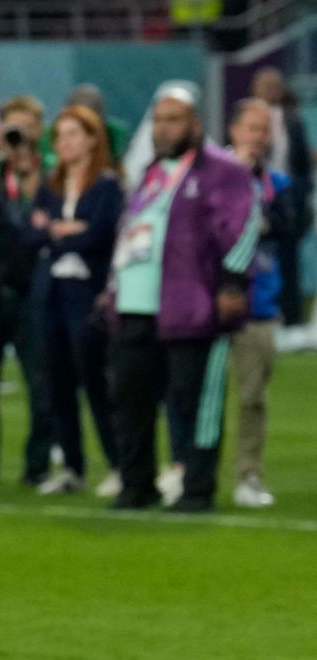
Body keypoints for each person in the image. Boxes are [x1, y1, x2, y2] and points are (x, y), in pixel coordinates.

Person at [109, 82, 259, 513]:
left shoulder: (223, 171)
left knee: (196, 403)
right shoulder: (151, 175)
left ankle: (197, 488)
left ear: (195, 124)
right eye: (158, 119)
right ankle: (137, 485)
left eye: (173, 119)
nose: (164, 128)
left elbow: (243, 226)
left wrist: (232, 284)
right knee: (132, 400)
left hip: (193, 304)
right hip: (136, 304)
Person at [29, 105, 124, 498]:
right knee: (56, 380)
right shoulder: (50, 185)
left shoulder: (106, 185)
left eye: (72, 134)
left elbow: (103, 234)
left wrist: (55, 232)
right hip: (52, 290)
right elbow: (28, 234)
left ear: (91, 139)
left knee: (94, 378)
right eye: (60, 135)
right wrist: (65, 231)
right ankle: (72, 465)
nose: (64, 142)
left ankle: (119, 464)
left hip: (87, 292)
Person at [0, 95, 55, 488]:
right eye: (11, 127)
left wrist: (30, 170)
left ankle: (37, 467)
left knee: (40, 382)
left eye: (26, 127)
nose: (19, 136)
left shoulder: (53, 171)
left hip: (34, 289)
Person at [225, 98, 296, 509]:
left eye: (263, 130)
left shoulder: (276, 183)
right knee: (191, 395)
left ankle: (249, 476)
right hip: (207, 301)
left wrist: (256, 209)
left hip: (258, 301)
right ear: (233, 131)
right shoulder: (209, 174)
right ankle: (185, 470)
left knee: (253, 397)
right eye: (250, 128)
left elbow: (290, 225)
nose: (257, 138)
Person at [251, 67, 311, 335]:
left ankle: (293, 320)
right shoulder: (246, 117)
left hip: (287, 195)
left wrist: (302, 191)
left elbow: (301, 163)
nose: (272, 90)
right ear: (256, 88)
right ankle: (256, 315)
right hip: (255, 195)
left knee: (289, 260)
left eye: (276, 85)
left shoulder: (293, 120)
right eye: (266, 85)